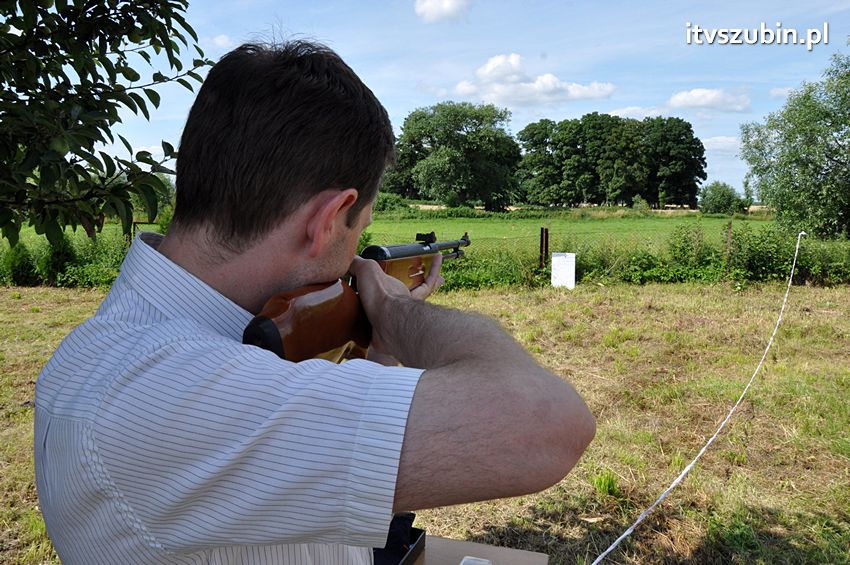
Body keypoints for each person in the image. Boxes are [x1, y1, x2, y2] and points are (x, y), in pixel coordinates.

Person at [34, 40, 595, 565]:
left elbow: (320, 442)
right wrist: (399, 312)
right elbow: (549, 423)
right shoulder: (161, 389)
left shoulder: (157, 347)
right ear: (329, 219)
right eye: (361, 227)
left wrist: (375, 346)